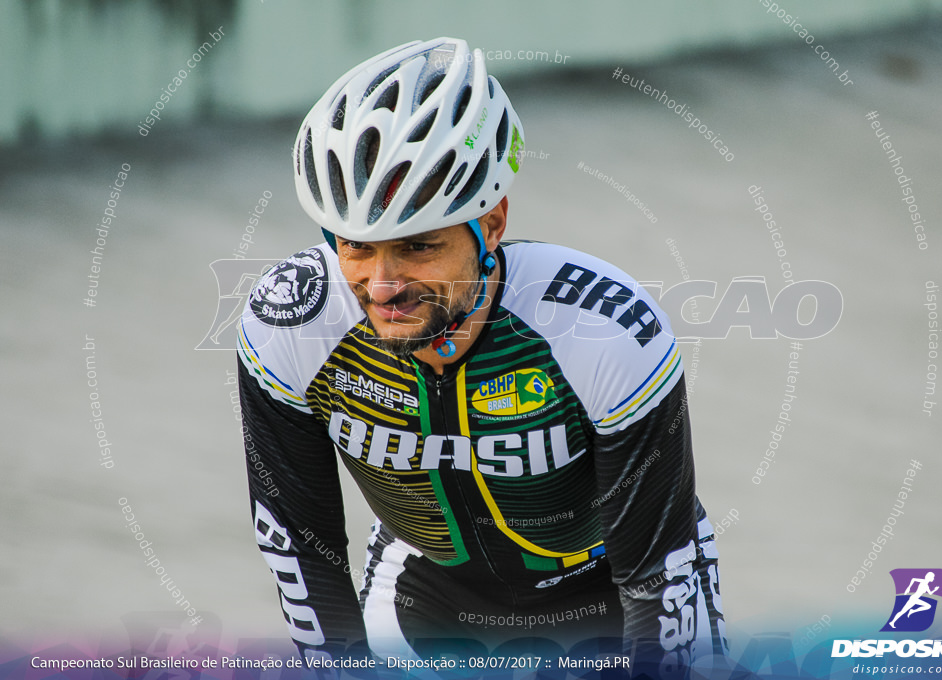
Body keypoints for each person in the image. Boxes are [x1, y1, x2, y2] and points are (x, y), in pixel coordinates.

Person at [236, 36, 725, 672]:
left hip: (610, 589)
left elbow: (658, 572)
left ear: (491, 224)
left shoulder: (602, 329)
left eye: (417, 247)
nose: (381, 286)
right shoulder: (291, 325)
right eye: (355, 247)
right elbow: (300, 547)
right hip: (424, 591)